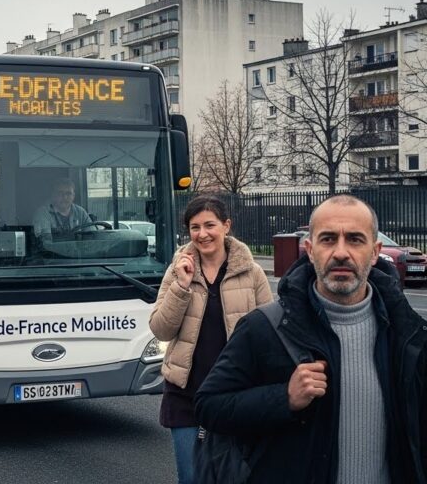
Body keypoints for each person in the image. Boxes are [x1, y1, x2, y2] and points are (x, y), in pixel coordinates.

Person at [195, 195, 427, 483]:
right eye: (328, 239)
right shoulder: (266, 327)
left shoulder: (408, 333)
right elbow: (208, 405)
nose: (341, 252)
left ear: (375, 250)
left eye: (355, 240)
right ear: (310, 250)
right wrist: (284, 398)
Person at [148, 195, 272, 484]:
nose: (202, 234)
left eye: (209, 225)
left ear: (226, 226)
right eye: (194, 227)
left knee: (236, 477)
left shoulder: (251, 273)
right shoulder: (178, 270)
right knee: (192, 479)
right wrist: (181, 285)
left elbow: (270, 333)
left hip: (236, 396)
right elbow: (160, 329)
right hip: (186, 395)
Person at [32, 177, 92, 243]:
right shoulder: (43, 213)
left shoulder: (81, 212)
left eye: (68, 193)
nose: (65, 197)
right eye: (60, 193)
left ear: (73, 196)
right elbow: (45, 243)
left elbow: (92, 236)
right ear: (53, 195)